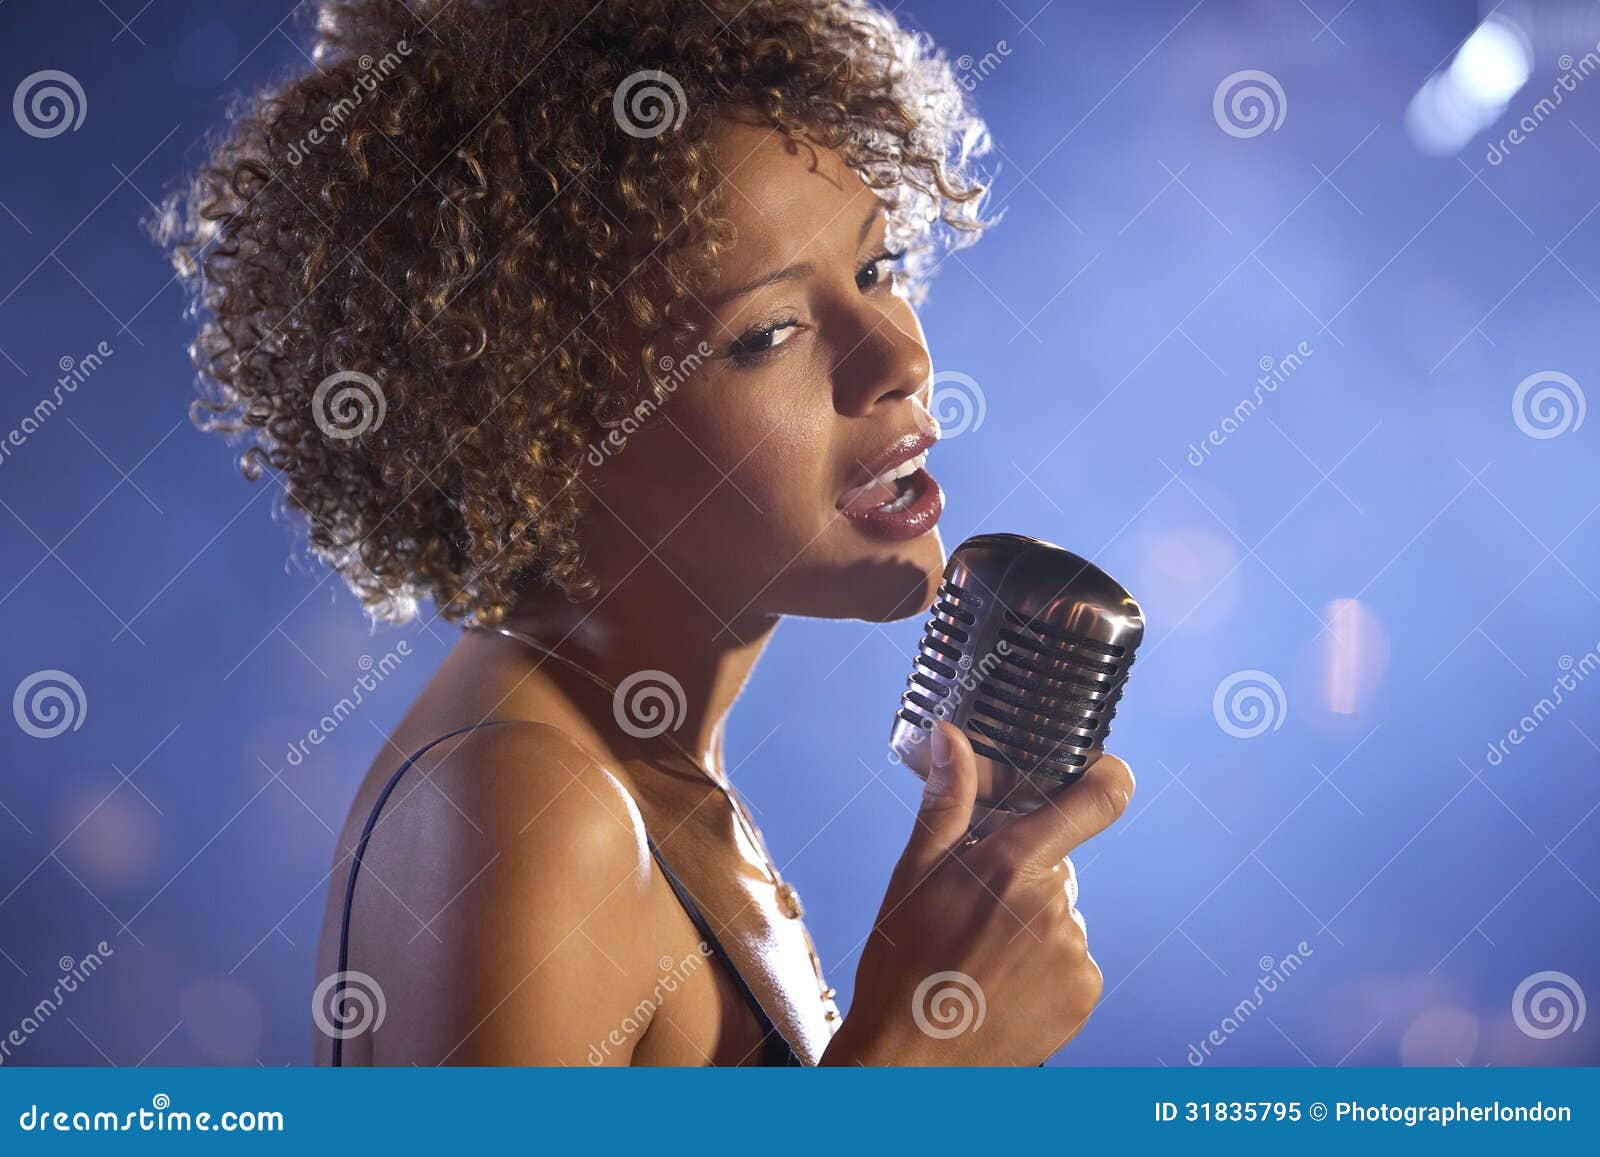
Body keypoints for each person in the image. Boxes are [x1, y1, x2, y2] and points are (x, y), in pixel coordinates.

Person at [158, 0, 1134, 1066]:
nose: (894, 357)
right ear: (539, 426)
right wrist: (920, 1062)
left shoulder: (634, 766)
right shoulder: (526, 814)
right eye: (767, 334)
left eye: (875, 267)